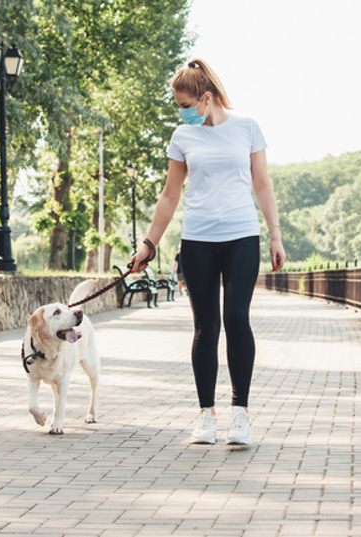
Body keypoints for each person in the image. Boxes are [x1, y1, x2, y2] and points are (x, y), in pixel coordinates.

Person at [130, 59, 285, 446]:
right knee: (206, 327)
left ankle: (241, 415)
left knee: (236, 319)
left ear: (206, 98)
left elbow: (262, 185)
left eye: (185, 103)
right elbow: (170, 196)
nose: (182, 111)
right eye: (178, 106)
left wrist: (275, 235)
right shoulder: (183, 136)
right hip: (197, 239)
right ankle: (205, 416)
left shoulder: (247, 129)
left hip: (241, 236)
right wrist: (149, 243)